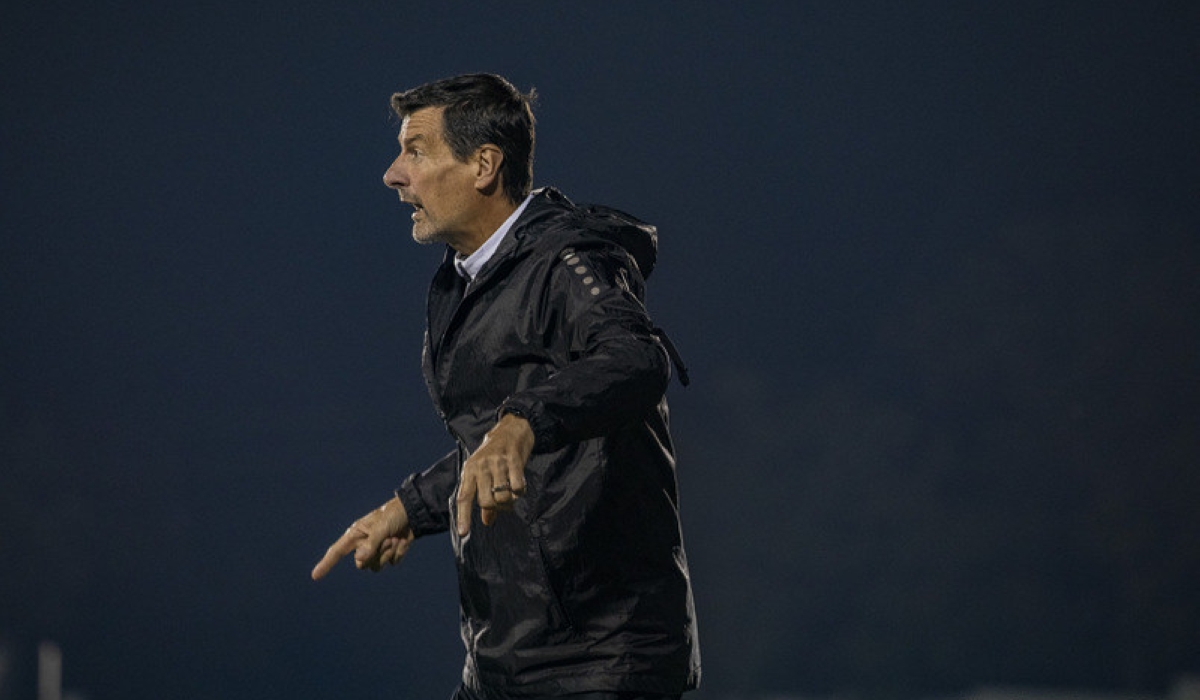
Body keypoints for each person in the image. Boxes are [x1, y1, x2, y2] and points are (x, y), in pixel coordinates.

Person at [311, 73, 700, 700]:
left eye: (415, 150)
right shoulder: (461, 281)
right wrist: (408, 508)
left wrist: (521, 422)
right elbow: (493, 441)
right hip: (504, 662)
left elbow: (635, 357)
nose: (394, 173)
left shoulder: (569, 261)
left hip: (600, 664)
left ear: (484, 165)